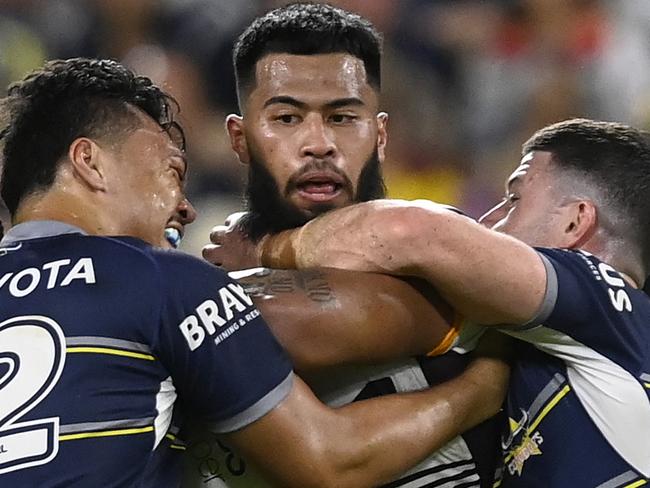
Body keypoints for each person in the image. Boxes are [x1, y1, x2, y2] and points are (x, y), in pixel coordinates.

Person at [0, 57, 509, 488]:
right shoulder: (161, 279)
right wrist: (484, 386)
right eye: (171, 173)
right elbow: (331, 459)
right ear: (89, 162)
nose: (186, 208)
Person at [247, 118, 650, 486]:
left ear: (574, 222)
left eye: (513, 199)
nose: (487, 221)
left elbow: (412, 231)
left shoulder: (610, 305)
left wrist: (263, 246)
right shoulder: (567, 353)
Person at [200, 3, 503, 487]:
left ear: (380, 134)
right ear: (239, 138)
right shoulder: (219, 250)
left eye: (342, 117)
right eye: (286, 118)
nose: (318, 144)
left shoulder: (435, 247)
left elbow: (284, 325)